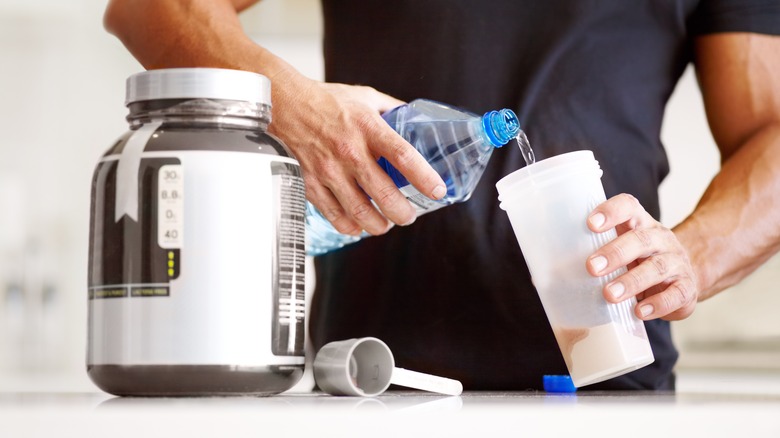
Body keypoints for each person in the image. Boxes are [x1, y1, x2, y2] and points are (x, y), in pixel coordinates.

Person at [103, 0, 780, 390]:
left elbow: (771, 131)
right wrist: (292, 107)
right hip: (372, 384)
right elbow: (148, 7)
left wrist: (690, 255)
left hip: (605, 391)